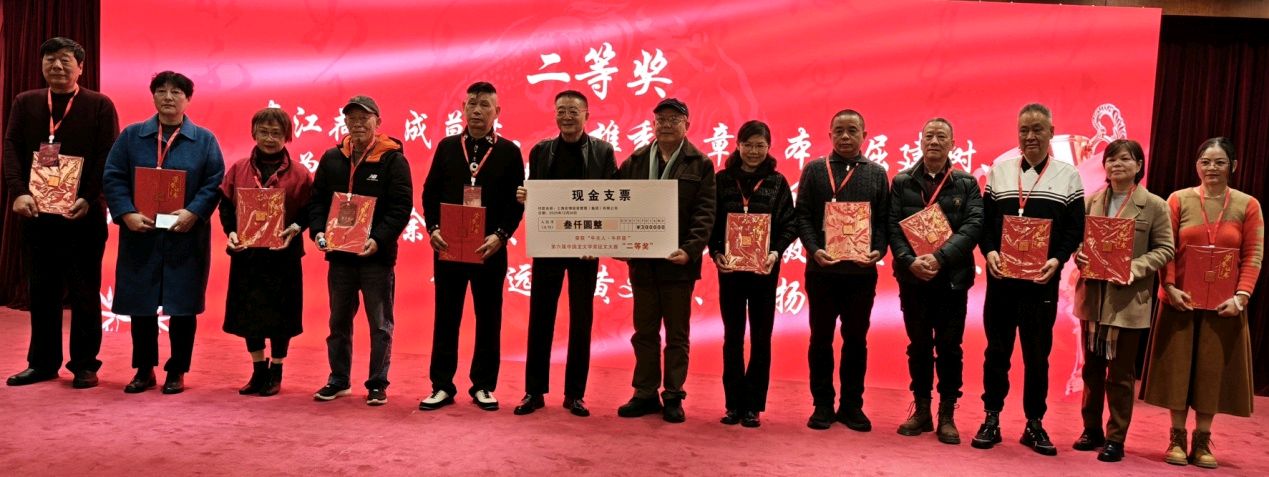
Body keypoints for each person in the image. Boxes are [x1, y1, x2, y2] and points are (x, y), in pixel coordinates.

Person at [3, 37, 119, 389]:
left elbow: (108, 155)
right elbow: (11, 148)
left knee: (85, 292)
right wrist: (19, 192)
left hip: (83, 215)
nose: (57, 66)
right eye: (50, 59)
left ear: (80, 67)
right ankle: (42, 363)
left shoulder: (99, 105)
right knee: (41, 291)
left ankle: (84, 364)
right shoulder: (26, 102)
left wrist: (89, 197)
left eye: (65, 60)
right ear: (41, 65)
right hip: (36, 212)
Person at [1141, 137, 1262, 469]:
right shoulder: (1178, 199)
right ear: (1197, 165)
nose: (1212, 168)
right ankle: (1177, 437)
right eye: (1206, 162)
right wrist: (1168, 287)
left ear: (1233, 166)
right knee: (1178, 371)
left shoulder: (1248, 205)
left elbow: (1253, 254)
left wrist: (1241, 297)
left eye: (1220, 162)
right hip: (1181, 301)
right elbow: (1165, 247)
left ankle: (1203, 439)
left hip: (1224, 306)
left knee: (1211, 373)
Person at [102, 71, 225, 395]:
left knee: (183, 307)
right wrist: (126, 213)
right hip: (140, 233)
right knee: (141, 305)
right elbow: (113, 176)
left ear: (188, 99)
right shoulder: (132, 136)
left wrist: (194, 212)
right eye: (161, 91)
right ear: (153, 96)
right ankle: (144, 369)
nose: (168, 97)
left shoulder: (204, 140)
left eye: (176, 92)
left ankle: (177, 370)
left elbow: (214, 181)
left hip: (185, 236)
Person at [973, 103, 1085, 455]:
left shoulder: (1069, 176)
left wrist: (1057, 259)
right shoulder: (1000, 172)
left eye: (1038, 129)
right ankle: (991, 418)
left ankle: (1034, 423)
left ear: (1052, 132)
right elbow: (984, 224)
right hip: (1002, 281)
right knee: (997, 352)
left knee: (1038, 357)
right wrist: (989, 252)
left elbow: (1075, 229)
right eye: (1024, 129)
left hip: (1041, 283)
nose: (1030, 136)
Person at [420, 82, 524, 412]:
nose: (477, 111)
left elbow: (517, 202)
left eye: (484, 105)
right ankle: (441, 385)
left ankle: (483, 385)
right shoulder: (447, 147)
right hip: (449, 247)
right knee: (446, 316)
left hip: (489, 249)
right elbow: (429, 192)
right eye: (471, 104)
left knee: (489, 318)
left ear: (497, 111)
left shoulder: (509, 152)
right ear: (463, 109)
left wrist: (501, 235)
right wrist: (433, 229)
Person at [512, 90, 616, 417]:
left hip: (586, 246)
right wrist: (525, 195)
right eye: (561, 111)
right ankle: (534, 391)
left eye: (573, 111)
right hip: (549, 244)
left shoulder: (602, 151)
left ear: (587, 115)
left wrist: (598, 241)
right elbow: (537, 196)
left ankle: (575, 394)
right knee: (540, 317)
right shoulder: (542, 150)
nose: (567, 116)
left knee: (581, 319)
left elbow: (611, 198)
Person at [1069, 139, 1174, 462]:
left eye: (1125, 159)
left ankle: (1116, 437)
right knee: (1092, 371)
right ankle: (1091, 429)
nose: (1117, 165)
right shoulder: (1091, 202)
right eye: (1112, 159)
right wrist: (1080, 254)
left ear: (1139, 165)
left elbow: (1165, 249)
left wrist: (1134, 268)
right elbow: (1077, 242)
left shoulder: (1154, 205)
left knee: (1121, 375)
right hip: (1093, 298)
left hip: (1128, 302)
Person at [614, 98, 716, 423]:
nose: (667, 124)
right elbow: (613, 203)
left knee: (676, 335)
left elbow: (705, 213)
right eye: (661, 119)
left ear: (687, 124)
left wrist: (690, 250)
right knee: (644, 332)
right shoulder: (635, 161)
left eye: (674, 119)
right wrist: (613, 241)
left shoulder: (700, 164)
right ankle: (644, 393)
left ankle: (673, 395)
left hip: (678, 264)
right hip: (642, 262)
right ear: (653, 124)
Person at [309, 95, 413, 406]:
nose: (357, 123)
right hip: (340, 256)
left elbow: (401, 207)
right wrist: (318, 231)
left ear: (377, 122)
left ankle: (377, 383)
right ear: (345, 122)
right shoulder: (332, 158)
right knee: (338, 322)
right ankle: (339, 379)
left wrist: (378, 239)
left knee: (380, 325)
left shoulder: (392, 160)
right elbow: (317, 201)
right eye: (351, 118)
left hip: (376, 257)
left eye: (364, 118)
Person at [886, 118, 983, 444]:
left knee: (950, 348)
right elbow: (892, 226)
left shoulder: (966, 183)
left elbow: (973, 226)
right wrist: (909, 261)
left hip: (952, 280)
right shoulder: (902, 182)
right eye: (929, 136)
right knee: (918, 347)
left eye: (942, 137)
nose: (935, 141)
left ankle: (947, 414)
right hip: (913, 280)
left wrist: (939, 258)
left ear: (952, 143)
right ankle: (922, 409)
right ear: (921, 141)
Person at [795, 109, 888, 431]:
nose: (845, 136)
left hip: (860, 274)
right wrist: (814, 249)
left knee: (856, 341)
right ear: (830, 134)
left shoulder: (877, 174)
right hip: (821, 271)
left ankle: (851, 406)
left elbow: (884, 221)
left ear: (864, 135)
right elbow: (802, 216)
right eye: (839, 130)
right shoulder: (814, 170)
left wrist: (878, 250)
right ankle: (822, 404)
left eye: (852, 130)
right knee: (820, 339)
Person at [217, 107, 313, 397]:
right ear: (254, 133)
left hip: (283, 255)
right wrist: (231, 232)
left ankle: (277, 370)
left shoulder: (300, 173)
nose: (269, 138)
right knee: (250, 315)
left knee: (282, 316)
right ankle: (258, 370)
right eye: (263, 132)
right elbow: (226, 205)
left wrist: (295, 228)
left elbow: (310, 210)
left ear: (287, 136)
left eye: (276, 133)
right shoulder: (238, 169)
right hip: (248, 254)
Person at [707, 120, 796, 428]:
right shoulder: (722, 180)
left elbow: (789, 223)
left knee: (760, 337)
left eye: (760, 145)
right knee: (732, 336)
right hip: (730, 270)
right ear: (738, 145)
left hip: (764, 271)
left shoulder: (777, 182)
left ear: (768, 148)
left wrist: (775, 252)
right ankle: (733, 404)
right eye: (748, 145)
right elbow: (711, 222)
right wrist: (716, 252)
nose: (754, 151)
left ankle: (753, 406)